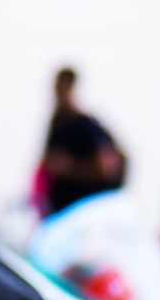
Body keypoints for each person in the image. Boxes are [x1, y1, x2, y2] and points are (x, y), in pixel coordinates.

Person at [42, 68, 126, 216]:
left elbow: (107, 168)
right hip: (60, 212)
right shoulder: (56, 124)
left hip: (83, 213)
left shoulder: (84, 125)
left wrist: (69, 167)